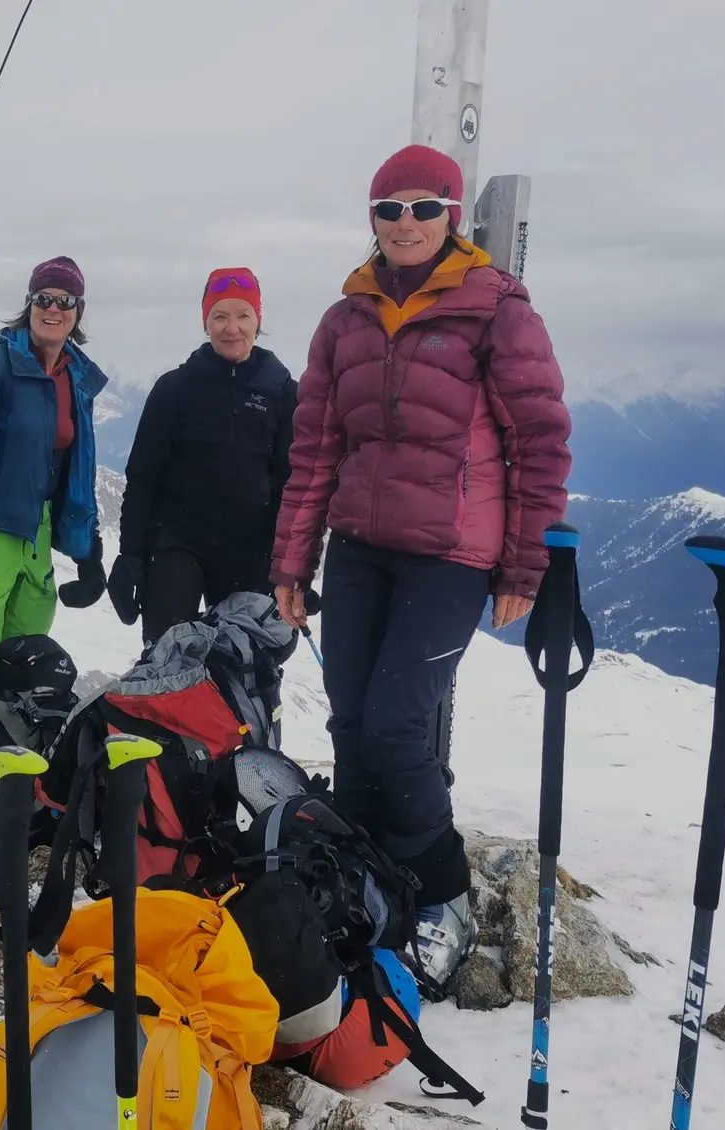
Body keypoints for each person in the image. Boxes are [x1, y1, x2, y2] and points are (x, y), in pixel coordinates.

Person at [270, 144, 573, 987]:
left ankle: (443, 895)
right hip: (363, 547)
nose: (405, 224)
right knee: (351, 725)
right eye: (389, 209)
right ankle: (363, 886)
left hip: (452, 552)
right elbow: (317, 448)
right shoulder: (346, 320)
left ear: (451, 214)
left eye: (423, 207)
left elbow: (539, 440)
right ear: (371, 220)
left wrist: (523, 568)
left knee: (400, 727)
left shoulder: (497, 311)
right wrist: (294, 561)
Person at [0, 256, 108, 772]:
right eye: (43, 298)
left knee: (25, 664)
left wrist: (89, 551)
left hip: (40, 537)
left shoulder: (77, 378)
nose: (53, 309)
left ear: (78, 310)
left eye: (65, 300)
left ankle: (3, 784)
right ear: (28, 305)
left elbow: (80, 466)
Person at [110, 268, 297, 644]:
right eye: (220, 316)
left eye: (243, 315)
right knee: (167, 660)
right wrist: (130, 556)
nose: (232, 328)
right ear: (205, 322)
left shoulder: (282, 393)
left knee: (247, 669)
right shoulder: (175, 389)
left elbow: (290, 485)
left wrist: (294, 567)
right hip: (177, 544)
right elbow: (143, 477)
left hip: (251, 551)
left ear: (258, 321)